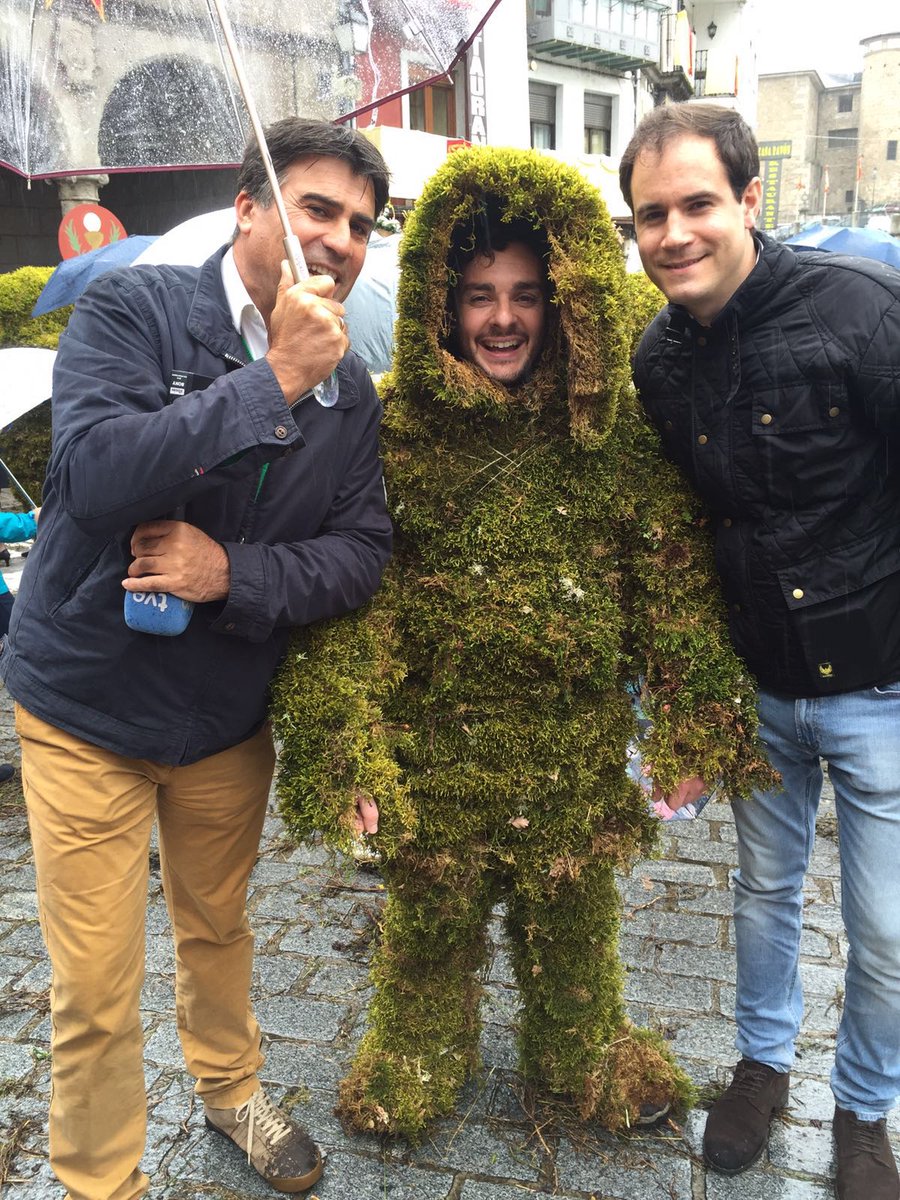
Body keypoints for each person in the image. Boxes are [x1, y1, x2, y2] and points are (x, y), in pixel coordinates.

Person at [271, 147, 772, 1139]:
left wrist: (695, 719)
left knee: (574, 948)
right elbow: (351, 603)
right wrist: (347, 744)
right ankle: (420, 1049)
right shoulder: (389, 431)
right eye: (477, 295)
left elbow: (672, 582)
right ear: (437, 303)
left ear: (567, 298)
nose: (502, 318)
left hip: (575, 768)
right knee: (426, 946)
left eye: (527, 295)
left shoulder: (614, 437)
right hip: (437, 766)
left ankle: (577, 1058)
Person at [0, 117, 392, 1199]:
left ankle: (230, 1091)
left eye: (362, 224)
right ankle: (102, 1182)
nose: (342, 239)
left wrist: (235, 576)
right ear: (251, 209)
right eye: (318, 207)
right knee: (94, 986)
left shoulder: (350, 394)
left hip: (224, 716)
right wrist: (270, 379)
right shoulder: (134, 311)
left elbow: (361, 555)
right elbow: (96, 476)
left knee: (219, 924)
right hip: (87, 708)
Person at [620, 101, 900, 1200]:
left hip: (881, 682)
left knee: (882, 932)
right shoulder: (657, 361)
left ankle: (866, 1111)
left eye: (697, 204)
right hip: (758, 692)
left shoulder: (862, 313)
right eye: (651, 215)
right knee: (764, 895)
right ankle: (762, 1067)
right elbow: (687, 535)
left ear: (748, 200)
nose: (674, 234)